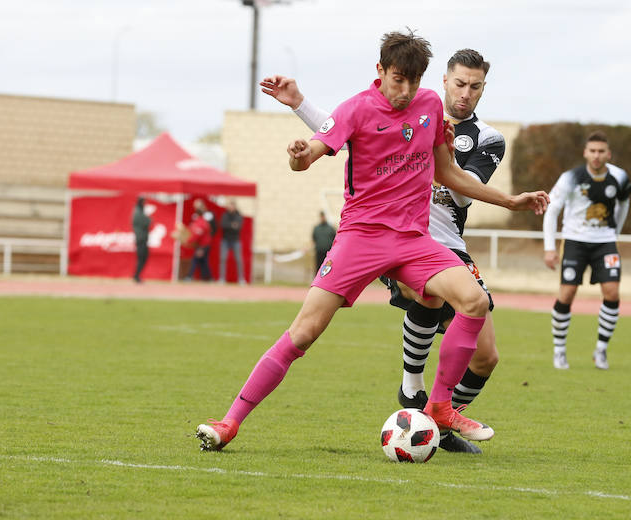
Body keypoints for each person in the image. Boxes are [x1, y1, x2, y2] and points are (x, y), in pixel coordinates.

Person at [196, 29, 548, 452]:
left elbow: (448, 174)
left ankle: (439, 406)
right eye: (398, 79)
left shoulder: (430, 106)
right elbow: (309, 155)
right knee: (303, 332)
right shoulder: (356, 109)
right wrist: (297, 155)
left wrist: (511, 201)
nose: (405, 91)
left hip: (414, 239)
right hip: (360, 239)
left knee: (472, 301)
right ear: (380, 71)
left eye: (414, 82)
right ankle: (230, 422)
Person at [269, 49, 503, 454]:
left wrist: (436, 159)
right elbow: (348, 128)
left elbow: (463, 194)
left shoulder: (486, 139)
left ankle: (436, 423)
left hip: (449, 244)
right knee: (424, 293)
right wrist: (301, 106)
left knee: (486, 357)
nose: (465, 93)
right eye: (459, 83)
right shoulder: (411, 107)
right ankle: (412, 386)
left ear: (484, 89)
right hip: (396, 238)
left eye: (475, 86)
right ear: (444, 81)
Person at [542, 130, 631, 370]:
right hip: (574, 241)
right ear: (585, 152)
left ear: (608, 153)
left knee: (612, 293)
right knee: (567, 294)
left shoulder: (620, 177)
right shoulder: (570, 177)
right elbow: (552, 210)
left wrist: (616, 234)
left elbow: (624, 205)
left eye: (601, 151)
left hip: (605, 242)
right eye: (592, 151)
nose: (596, 155)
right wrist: (550, 248)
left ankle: (601, 350)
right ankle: (559, 351)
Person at [219, 199, 246, 285]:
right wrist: (232, 225)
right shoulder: (225, 215)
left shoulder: (238, 216)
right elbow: (223, 225)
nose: (230, 207)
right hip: (225, 240)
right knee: (223, 259)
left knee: (238, 260)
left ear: (235, 207)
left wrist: (230, 225)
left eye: (232, 206)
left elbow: (238, 227)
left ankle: (241, 279)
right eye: (229, 206)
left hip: (235, 240)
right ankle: (222, 279)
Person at [184, 199, 213, 282]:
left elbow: (197, 234)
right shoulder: (198, 221)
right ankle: (208, 278)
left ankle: (189, 276)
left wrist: (188, 241)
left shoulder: (201, 222)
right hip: (202, 244)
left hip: (203, 245)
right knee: (203, 262)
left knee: (195, 260)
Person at [132, 197, 151, 283]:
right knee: (142, 258)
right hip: (141, 239)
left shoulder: (139, 211)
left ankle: (137, 275)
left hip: (142, 239)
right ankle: (136, 276)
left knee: (143, 257)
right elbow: (148, 222)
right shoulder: (138, 212)